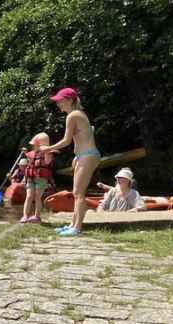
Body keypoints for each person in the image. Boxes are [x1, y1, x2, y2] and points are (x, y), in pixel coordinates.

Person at [42, 87, 100, 236]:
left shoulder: (73, 115)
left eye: (60, 101)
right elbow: (82, 137)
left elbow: (66, 141)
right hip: (84, 155)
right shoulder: (78, 114)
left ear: (69, 100)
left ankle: (77, 228)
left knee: (79, 193)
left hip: (87, 155)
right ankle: (72, 225)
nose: (58, 104)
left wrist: (48, 148)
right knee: (76, 193)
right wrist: (77, 156)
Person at [20, 134, 54, 224]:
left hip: (41, 178)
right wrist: (25, 152)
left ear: (40, 145)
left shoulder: (48, 153)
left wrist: (46, 150)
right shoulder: (31, 153)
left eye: (35, 145)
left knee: (37, 197)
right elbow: (29, 161)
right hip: (31, 178)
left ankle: (37, 216)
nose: (33, 146)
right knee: (29, 196)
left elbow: (47, 162)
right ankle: (25, 216)